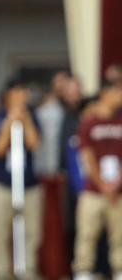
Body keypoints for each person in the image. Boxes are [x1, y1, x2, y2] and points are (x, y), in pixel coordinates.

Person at [0, 78, 43, 280]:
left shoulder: (33, 115)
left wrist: (25, 120)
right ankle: (1, 272)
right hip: (2, 183)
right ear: (8, 95)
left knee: (32, 231)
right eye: (18, 93)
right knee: (1, 232)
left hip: (29, 184)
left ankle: (28, 270)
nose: (22, 98)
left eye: (24, 93)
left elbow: (34, 143)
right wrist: (10, 120)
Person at [72, 80, 122, 280]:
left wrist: (116, 183)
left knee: (119, 235)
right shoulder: (89, 122)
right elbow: (86, 156)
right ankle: (83, 271)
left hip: (118, 190)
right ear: (105, 93)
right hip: (93, 189)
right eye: (118, 91)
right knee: (87, 234)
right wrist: (102, 184)